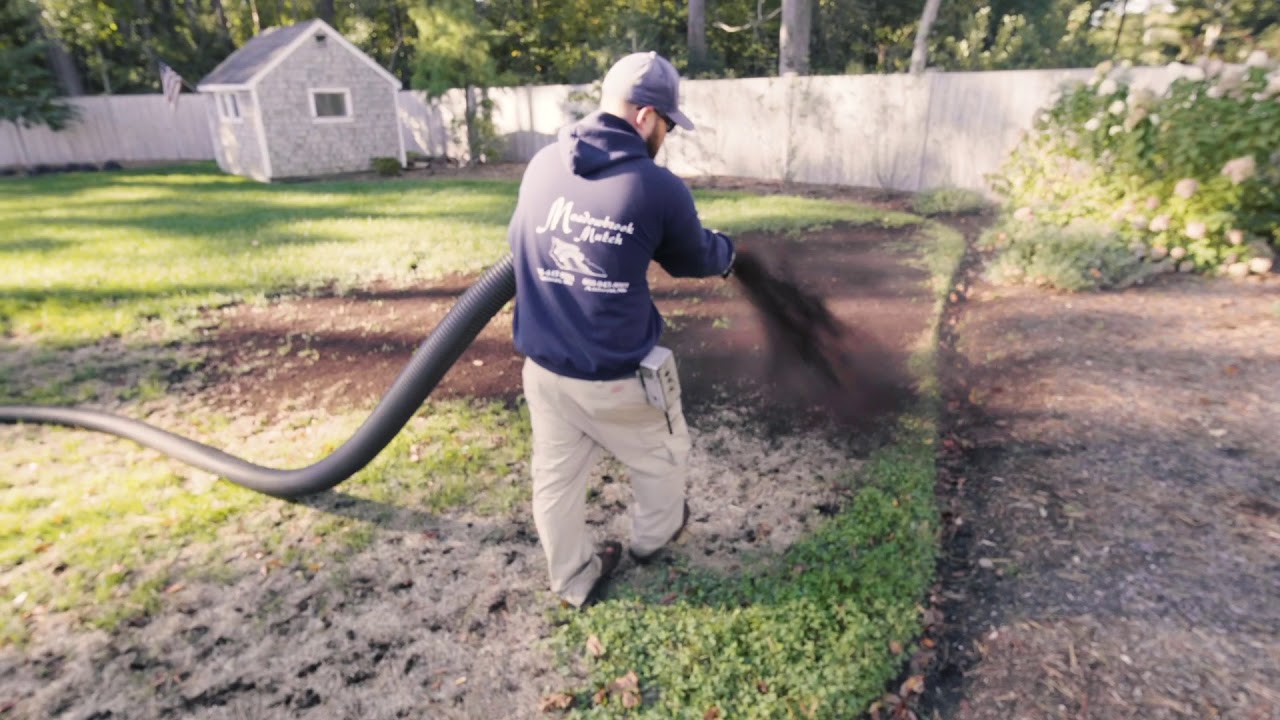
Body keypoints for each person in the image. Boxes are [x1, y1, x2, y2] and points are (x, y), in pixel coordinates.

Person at [506, 51, 736, 609]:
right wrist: (730, 252)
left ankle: (572, 581)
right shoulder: (655, 187)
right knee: (663, 456)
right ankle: (651, 541)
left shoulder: (542, 164)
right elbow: (693, 257)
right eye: (666, 125)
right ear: (644, 117)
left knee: (555, 482)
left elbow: (518, 249)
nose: (666, 137)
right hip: (616, 380)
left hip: (544, 371)